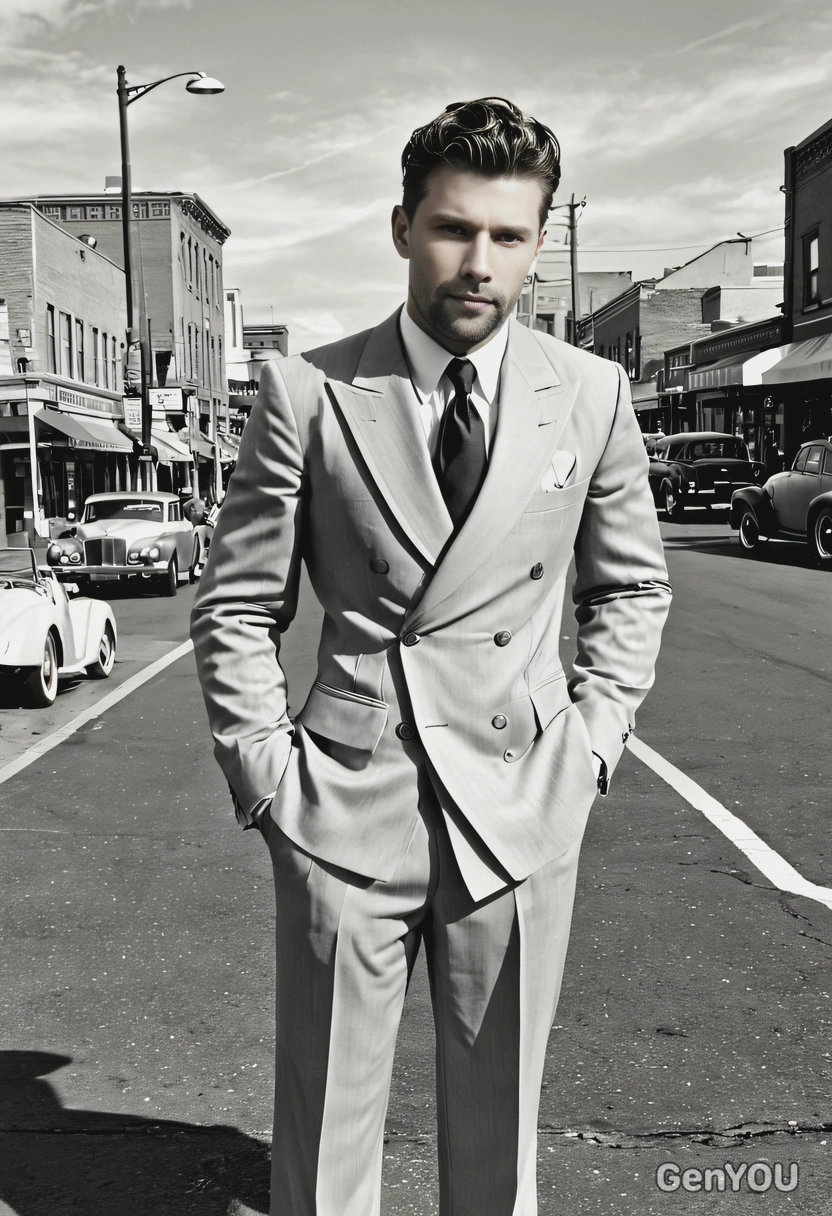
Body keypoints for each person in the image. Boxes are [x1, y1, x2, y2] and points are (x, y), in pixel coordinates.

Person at [191, 97, 672, 1216]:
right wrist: (266, 770)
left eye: (507, 237)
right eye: (454, 229)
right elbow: (238, 601)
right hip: (347, 805)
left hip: (520, 802)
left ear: (538, 244)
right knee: (324, 1146)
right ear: (401, 225)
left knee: (498, 1140)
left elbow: (631, 585)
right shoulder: (306, 390)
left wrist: (592, 745)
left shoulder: (589, 393)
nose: (478, 263)